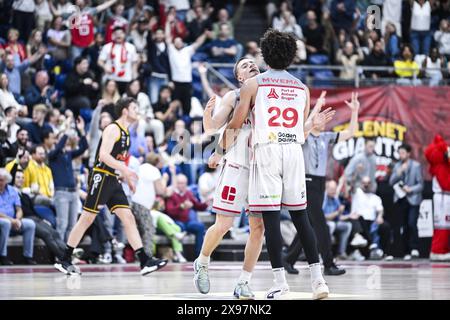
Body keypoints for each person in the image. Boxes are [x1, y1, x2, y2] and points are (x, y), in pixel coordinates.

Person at [211, 29, 335, 300]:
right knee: (301, 218)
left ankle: (280, 283)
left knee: (270, 218)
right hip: (293, 151)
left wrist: (219, 151)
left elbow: (235, 124)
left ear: (265, 56)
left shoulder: (253, 85)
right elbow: (301, 133)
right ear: (291, 57)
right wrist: (312, 125)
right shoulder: (302, 88)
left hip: (266, 150)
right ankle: (318, 281)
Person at [54, 97, 167, 276]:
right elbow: (103, 155)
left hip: (113, 179)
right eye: (134, 108)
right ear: (125, 111)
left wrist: (126, 176)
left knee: (128, 218)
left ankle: (145, 261)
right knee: (86, 219)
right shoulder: (113, 128)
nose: (137, 111)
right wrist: (126, 170)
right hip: (101, 176)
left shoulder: (126, 133)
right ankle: (64, 259)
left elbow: (117, 161)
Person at [193, 57, 265, 300]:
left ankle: (244, 282)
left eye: (253, 63)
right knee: (224, 224)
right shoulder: (233, 96)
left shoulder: (268, 93)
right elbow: (212, 127)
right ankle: (202, 261)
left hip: (262, 168)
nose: (251, 65)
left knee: (258, 227)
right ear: (239, 77)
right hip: (236, 164)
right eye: (245, 65)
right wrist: (207, 114)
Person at [283, 91, 359, 276]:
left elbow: (350, 132)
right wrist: (315, 108)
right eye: (319, 116)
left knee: (308, 224)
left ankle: (288, 259)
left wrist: (355, 111)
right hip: (306, 182)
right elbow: (303, 127)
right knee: (321, 225)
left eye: (324, 117)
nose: (323, 120)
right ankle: (328, 264)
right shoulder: (304, 136)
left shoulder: (326, 137)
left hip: (320, 183)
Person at [13, 170, 66, 262]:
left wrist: (42, 219)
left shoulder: (25, 195)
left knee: (55, 233)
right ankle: (63, 258)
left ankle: (68, 254)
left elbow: (32, 210)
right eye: (18, 177)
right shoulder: (11, 194)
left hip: (35, 218)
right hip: (25, 219)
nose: (20, 180)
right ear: (13, 179)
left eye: (22, 177)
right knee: (47, 234)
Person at [49, 117, 88, 242]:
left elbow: (84, 147)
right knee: (62, 225)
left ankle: (68, 254)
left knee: (72, 226)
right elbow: (59, 146)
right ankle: (59, 254)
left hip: (73, 192)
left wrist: (81, 131)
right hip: (61, 193)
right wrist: (65, 131)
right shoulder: (52, 155)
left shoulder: (68, 154)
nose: (64, 140)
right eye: (61, 138)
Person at [165, 11, 207, 116]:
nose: (178, 42)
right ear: (174, 43)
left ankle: (186, 124)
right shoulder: (172, 51)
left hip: (187, 82)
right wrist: (167, 23)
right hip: (176, 82)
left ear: (182, 43)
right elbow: (167, 38)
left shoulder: (187, 50)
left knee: (187, 106)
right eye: (176, 41)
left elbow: (197, 43)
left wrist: (205, 34)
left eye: (180, 41)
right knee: (174, 106)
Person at [131, 153, 169, 258]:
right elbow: (161, 191)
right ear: (156, 161)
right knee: (148, 229)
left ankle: (137, 255)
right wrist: (165, 179)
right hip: (142, 204)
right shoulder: (154, 170)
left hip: (133, 201)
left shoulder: (141, 167)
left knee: (138, 230)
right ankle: (147, 256)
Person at [389, 143, 424, 260]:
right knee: (403, 225)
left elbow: (421, 185)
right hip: (400, 198)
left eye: (403, 153)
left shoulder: (416, 165)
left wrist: (411, 189)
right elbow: (391, 182)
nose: (401, 155)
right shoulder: (397, 165)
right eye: (399, 153)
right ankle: (405, 250)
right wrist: (399, 172)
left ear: (409, 153)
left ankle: (414, 248)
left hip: (412, 198)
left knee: (412, 223)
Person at [165, 174, 208, 257]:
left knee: (200, 227)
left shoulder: (188, 193)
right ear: (176, 183)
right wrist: (181, 206)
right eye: (179, 183)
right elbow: (169, 211)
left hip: (187, 221)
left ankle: (199, 254)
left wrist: (206, 203)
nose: (181, 185)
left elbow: (197, 206)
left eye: (183, 183)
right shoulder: (171, 194)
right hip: (174, 221)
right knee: (180, 227)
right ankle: (179, 254)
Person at [0, 168, 36, 265]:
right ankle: (3, 256)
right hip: (3, 221)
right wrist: (12, 220)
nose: (0, 182)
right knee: (6, 223)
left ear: (6, 180)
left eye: (2, 180)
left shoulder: (12, 191)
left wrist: (17, 219)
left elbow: (19, 209)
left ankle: (28, 256)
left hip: (13, 221)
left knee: (30, 224)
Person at [351, 176, 392, 260]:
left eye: (368, 183)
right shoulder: (357, 194)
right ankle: (374, 246)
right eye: (364, 183)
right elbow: (352, 184)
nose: (366, 185)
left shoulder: (375, 198)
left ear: (371, 184)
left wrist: (380, 216)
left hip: (373, 222)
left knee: (385, 226)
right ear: (361, 184)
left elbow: (380, 210)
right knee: (360, 220)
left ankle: (384, 252)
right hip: (360, 221)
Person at [98, 25, 139, 95]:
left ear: (124, 35)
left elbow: (134, 62)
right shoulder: (107, 47)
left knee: (124, 101)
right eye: (116, 34)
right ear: (113, 35)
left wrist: (134, 73)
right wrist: (105, 67)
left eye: (121, 33)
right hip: (111, 78)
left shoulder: (131, 47)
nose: (118, 36)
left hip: (126, 78)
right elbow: (100, 61)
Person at [323, 180, 352, 260]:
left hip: (334, 222)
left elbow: (339, 216)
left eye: (335, 189)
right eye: (332, 189)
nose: (334, 191)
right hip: (324, 223)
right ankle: (325, 253)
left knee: (347, 226)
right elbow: (323, 217)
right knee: (331, 225)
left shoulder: (335, 199)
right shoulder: (323, 199)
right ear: (326, 189)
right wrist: (337, 212)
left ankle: (341, 252)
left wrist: (350, 216)